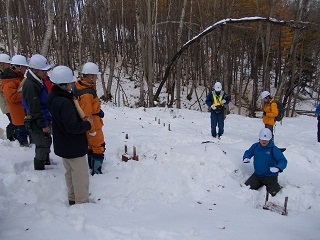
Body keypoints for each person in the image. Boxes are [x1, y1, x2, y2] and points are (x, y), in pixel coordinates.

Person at [47, 66, 93, 205]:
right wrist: (87, 125)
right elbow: (72, 127)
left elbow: (64, 120)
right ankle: (81, 202)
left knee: (70, 173)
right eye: (70, 83)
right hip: (73, 144)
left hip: (63, 143)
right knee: (80, 175)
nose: (73, 85)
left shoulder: (53, 96)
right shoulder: (64, 102)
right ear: (63, 84)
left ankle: (73, 198)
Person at [22, 54, 52, 170]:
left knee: (46, 142)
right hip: (38, 120)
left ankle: (45, 161)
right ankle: (39, 167)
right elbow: (35, 108)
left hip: (43, 116)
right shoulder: (31, 85)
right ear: (35, 69)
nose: (46, 73)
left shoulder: (38, 81)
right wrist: (43, 124)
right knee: (42, 144)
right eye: (43, 71)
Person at [74, 62, 105, 175]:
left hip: (94, 122)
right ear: (90, 76)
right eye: (96, 75)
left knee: (91, 146)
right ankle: (96, 171)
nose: (97, 78)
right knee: (98, 146)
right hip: (93, 125)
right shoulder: (86, 93)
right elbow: (87, 114)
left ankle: (92, 167)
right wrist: (91, 130)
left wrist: (98, 111)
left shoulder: (83, 86)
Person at [242, 128, 287, 196]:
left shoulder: (273, 149)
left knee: (274, 192)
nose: (264, 141)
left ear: (270, 139)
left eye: (266, 140)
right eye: (262, 139)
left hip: (270, 176)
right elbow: (249, 152)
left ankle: (277, 188)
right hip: (257, 175)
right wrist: (246, 157)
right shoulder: (255, 146)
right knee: (246, 188)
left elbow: (283, 160)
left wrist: (278, 168)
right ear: (259, 138)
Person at [1, 54, 30, 146]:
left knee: (22, 128)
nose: (25, 69)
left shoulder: (16, 77)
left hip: (21, 110)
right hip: (14, 109)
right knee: (19, 128)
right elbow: (12, 97)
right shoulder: (9, 80)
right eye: (24, 67)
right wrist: (26, 94)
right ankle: (16, 141)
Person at [0, 53, 18, 141]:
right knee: (13, 120)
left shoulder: (7, 73)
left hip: (9, 101)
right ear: (2, 64)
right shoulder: (2, 75)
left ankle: (14, 135)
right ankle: (10, 136)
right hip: (5, 102)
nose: (10, 66)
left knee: (15, 119)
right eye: (8, 64)